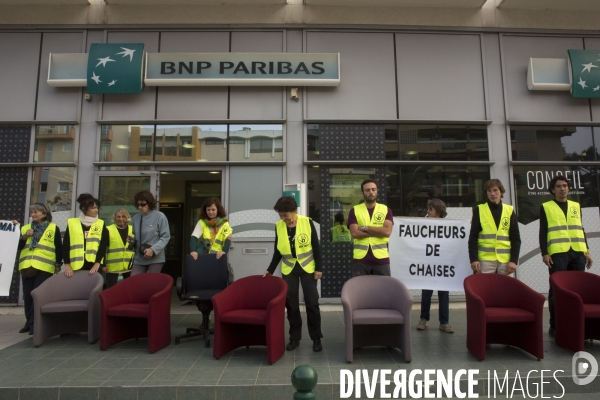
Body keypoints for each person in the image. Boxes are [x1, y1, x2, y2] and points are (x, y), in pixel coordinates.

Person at [263, 196, 323, 352]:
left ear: (294, 211)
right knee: (291, 305)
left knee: (312, 303)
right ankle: (294, 338)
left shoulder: (307, 222)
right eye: (281, 216)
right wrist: (270, 269)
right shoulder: (279, 226)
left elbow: (316, 247)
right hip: (289, 269)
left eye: (286, 216)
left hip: (308, 268)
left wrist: (319, 268)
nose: (284, 219)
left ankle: (316, 338)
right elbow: (277, 251)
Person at [539, 175, 593, 337]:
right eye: (559, 186)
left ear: (569, 188)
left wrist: (587, 251)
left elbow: (580, 229)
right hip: (558, 253)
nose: (562, 189)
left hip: (577, 252)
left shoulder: (576, 206)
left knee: (577, 290)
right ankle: (555, 325)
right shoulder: (547, 207)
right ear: (553, 189)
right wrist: (545, 253)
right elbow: (543, 231)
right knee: (557, 290)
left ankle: (575, 325)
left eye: (565, 186)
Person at [11, 203, 62, 335]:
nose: (33, 214)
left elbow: (58, 247)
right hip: (27, 266)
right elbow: (17, 247)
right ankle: (29, 322)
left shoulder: (53, 228)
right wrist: (24, 236)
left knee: (37, 295)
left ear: (44, 214)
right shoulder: (25, 228)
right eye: (32, 212)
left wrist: (58, 264)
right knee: (27, 296)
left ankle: (35, 324)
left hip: (45, 267)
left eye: (36, 212)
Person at [468, 179, 521, 276]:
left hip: (505, 260)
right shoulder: (479, 210)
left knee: (505, 290)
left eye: (495, 190)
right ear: (486, 193)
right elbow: (473, 238)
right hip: (485, 261)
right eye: (489, 191)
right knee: (484, 290)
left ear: (501, 192)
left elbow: (515, 239)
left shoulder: (509, 210)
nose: (492, 194)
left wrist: (514, 260)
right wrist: (474, 259)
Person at [417, 199, 453, 333]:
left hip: (442, 264)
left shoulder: (448, 225)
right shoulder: (423, 224)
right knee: (426, 293)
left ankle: (444, 322)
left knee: (443, 294)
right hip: (429, 265)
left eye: (431, 209)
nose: (428, 211)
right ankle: (423, 319)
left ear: (438, 210)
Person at [348, 179, 393, 276]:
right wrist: (378, 231)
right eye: (367, 190)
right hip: (360, 259)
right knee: (360, 290)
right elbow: (355, 233)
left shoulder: (386, 210)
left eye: (373, 189)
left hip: (381, 259)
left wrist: (365, 228)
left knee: (383, 290)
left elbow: (387, 232)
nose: (371, 192)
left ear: (377, 191)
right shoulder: (354, 210)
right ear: (362, 193)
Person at [63, 193, 109, 278]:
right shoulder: (72, 223)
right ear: (84, 209)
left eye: (97, 208)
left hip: (94, 266)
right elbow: (66, 245)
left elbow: (103, 246)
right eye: (93, 208)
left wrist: (97, 263)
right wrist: (67, 264)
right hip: (76, 266)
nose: (96, 210)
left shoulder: (101, 223)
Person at [130, 190, 170, 275]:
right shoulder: (136, 218)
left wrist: (153, 249)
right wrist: (131, 241)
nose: (140, 207)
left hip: (155, 257)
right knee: (134, 281)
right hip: (139, 257)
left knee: (151, 283)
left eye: (143, 204)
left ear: (150, 203)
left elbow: (165, 237)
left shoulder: (160, 216)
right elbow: (135, 234)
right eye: (138, 205)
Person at [103, 208, 134, 288]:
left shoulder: (132, 229)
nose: (121, 219)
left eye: (123, 216)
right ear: (114, 218)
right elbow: (102, 248)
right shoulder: (108, 229)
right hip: (113, 266)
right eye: (118, 217)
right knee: (111, 289)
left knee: (130, 289)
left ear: (127, 218)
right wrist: (103, 265)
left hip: (129, 266)